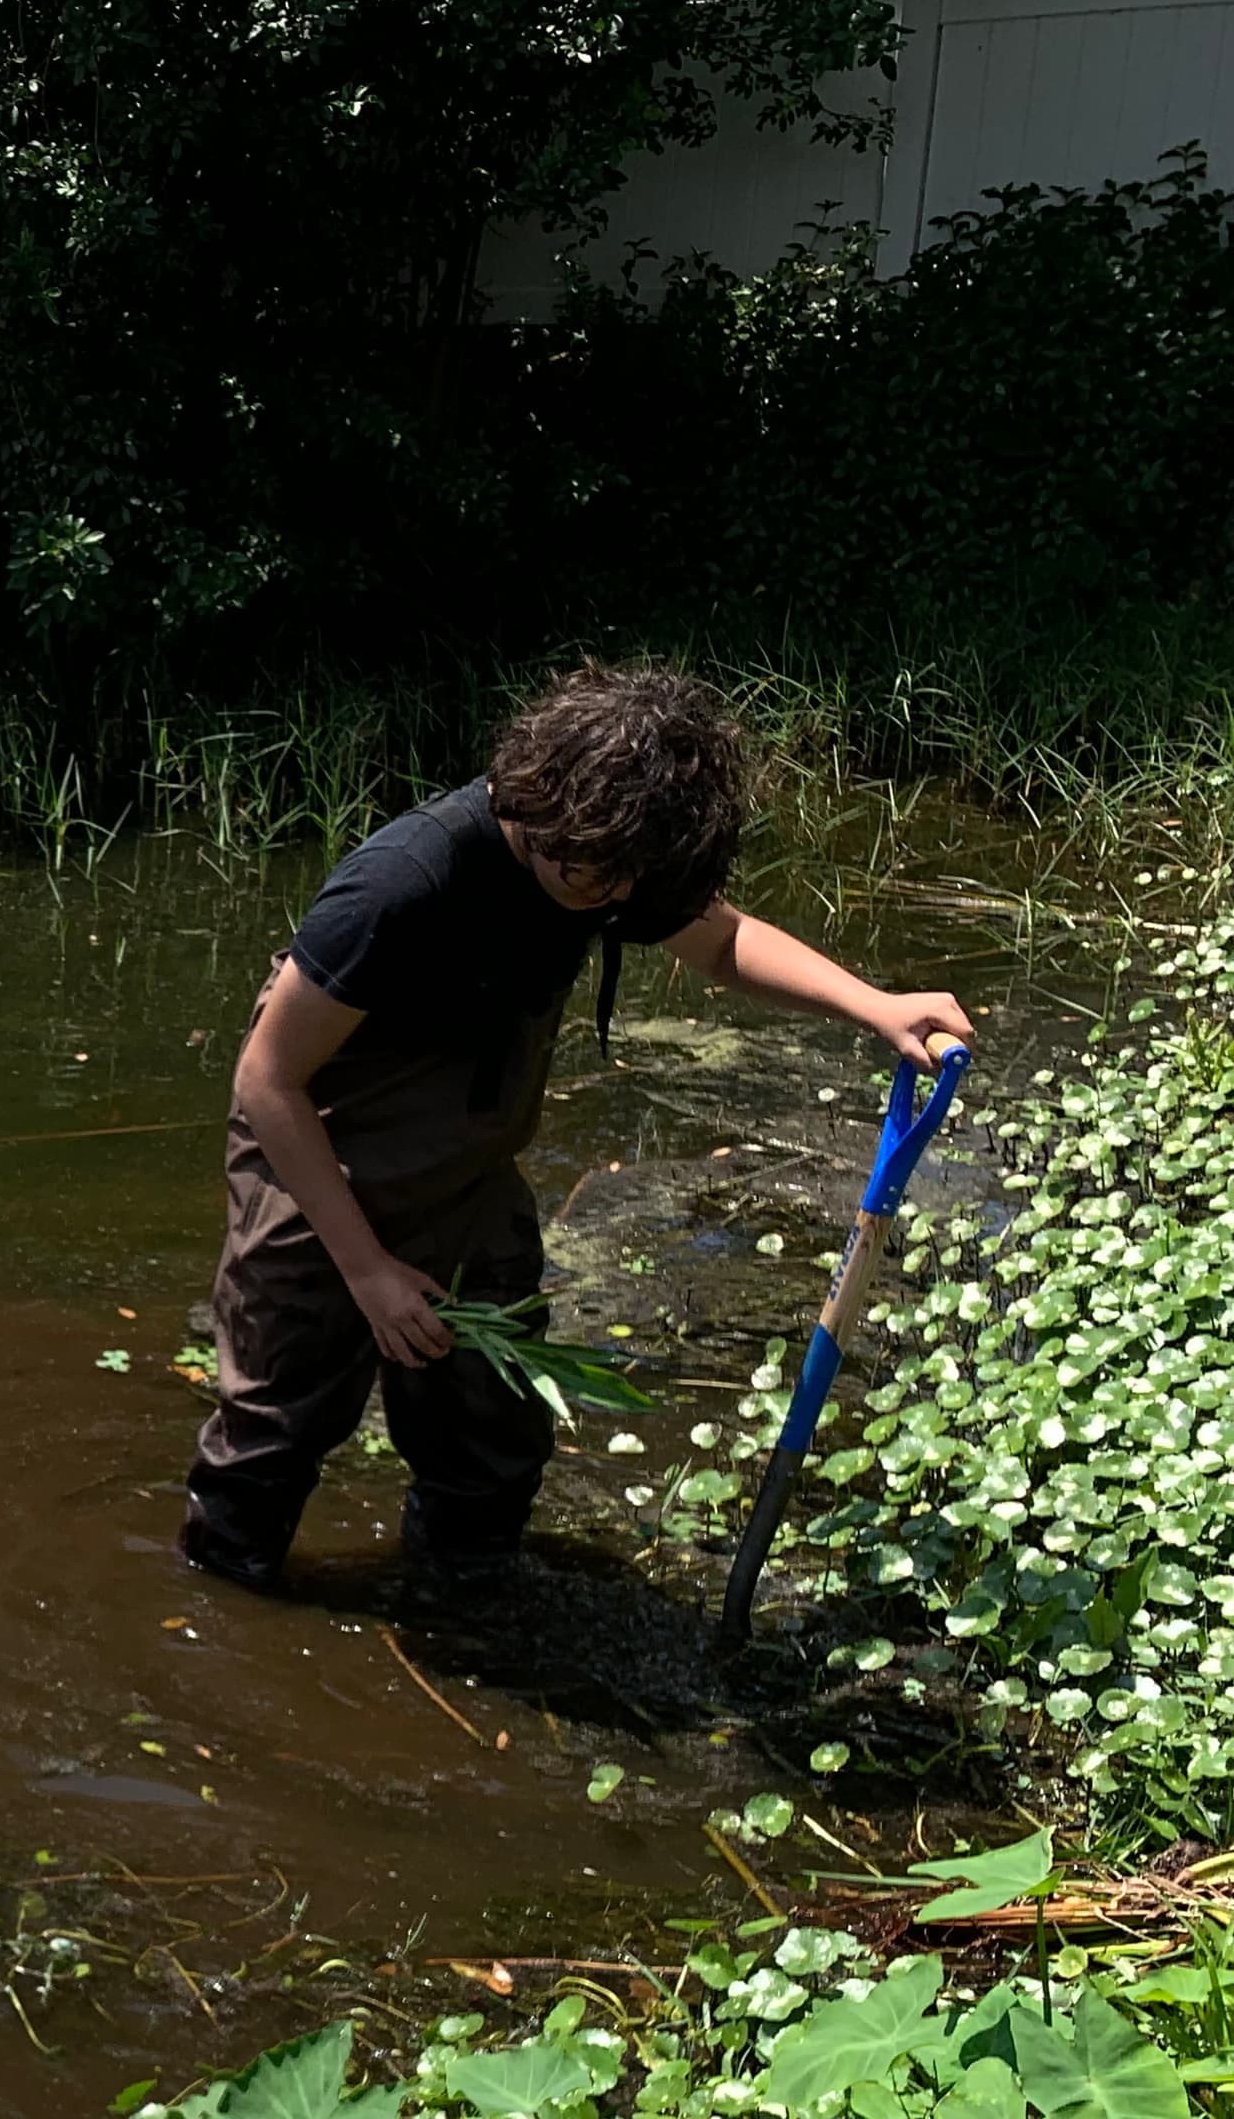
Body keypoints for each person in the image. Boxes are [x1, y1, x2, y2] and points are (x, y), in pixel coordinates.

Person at [181, 664, 976, 1593]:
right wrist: (366, 1271)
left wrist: (870, 1003)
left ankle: (463, 1597)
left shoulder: (613, 859)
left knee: (490, 1431)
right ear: (543, 810)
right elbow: (267, 1081)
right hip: (319, 1174)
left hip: (468, 1176)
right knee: (276, 1432)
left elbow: (718, 939)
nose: (614, 903)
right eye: (597, 878)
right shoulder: (403, 884)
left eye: (634, 886)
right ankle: (217, 1609)